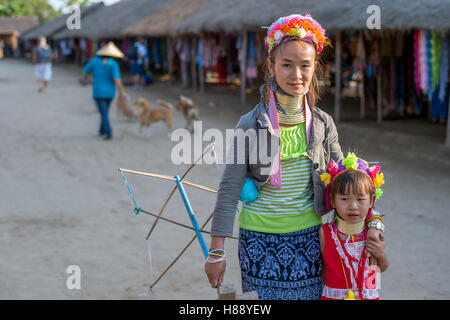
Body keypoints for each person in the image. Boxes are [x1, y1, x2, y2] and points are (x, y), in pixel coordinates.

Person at [205, 14, 386, 300]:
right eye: (287, 65)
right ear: (271, 66)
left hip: (313, 240)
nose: (296, 75)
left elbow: (349, 184)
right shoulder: (249, 125)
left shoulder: (323, 124)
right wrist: (216, 253)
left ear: (315, 68)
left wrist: (374, 223)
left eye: (305, 66)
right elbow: (228, 191)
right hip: (258, 242)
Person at [319, 153, 389, 300]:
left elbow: (376, 272)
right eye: (344, 199)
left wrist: (381, 255)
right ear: (332, 200)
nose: (353, 206)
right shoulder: (326, 233)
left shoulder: (372, 234)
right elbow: (324, 271)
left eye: (360, 199)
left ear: (371, 200)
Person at [82, 41, 126, 140]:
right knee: (104, 111)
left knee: (103, 112)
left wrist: (85, 78)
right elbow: (117, 79)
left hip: (98, 91)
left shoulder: (95, 61)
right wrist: (121, 91)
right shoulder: (113, 63)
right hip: (110, 92)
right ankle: (101, 130)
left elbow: (85, 71)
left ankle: (108, 132)